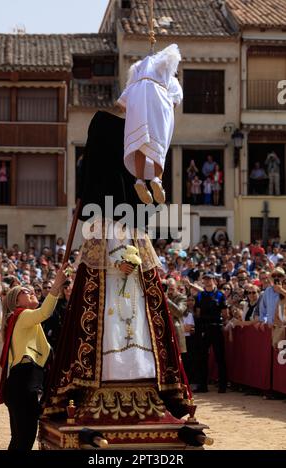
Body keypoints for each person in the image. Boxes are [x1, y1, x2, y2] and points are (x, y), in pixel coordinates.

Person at [43, 219, 193, 422]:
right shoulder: (99, 226)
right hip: (109, 290)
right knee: (111, 331)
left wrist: (133, 266)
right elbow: (91, 262)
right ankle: (107, 377)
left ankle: (144, 378)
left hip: (134, 290)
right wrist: (116, 265)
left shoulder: (136, 229)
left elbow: (148, 265)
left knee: (140, 329)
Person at [0, 264, 68, 450]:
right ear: (16, 302)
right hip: (23, 383)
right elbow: (45, 312)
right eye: (26, 292)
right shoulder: (23, 314)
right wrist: (57, 284)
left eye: (32, 290)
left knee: (20, 440)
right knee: (24, 440)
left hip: (21, 383)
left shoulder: (20, 317)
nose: (32, 292)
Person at [116, 44, 183, 204]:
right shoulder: (172, 80)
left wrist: (135, 111)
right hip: (159, 97)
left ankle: (139, 180)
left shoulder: (138, 77)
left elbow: (121, 103)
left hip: (136, 96)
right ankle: (157, 180)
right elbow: (175, 100)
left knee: (140, 142)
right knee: (159, 141)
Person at [195, 272, 228, 393]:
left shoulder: (220, 295)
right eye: (205, 279)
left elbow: (225, 313)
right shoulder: (199, 295)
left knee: (220, 357)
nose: (207, 281)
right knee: (202, 357)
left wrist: (221, 323)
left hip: (216, 328)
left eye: (209, 279)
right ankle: (202, 386)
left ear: (214, 280)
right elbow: (198, 312)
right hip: (204, 328)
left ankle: (222, 385)